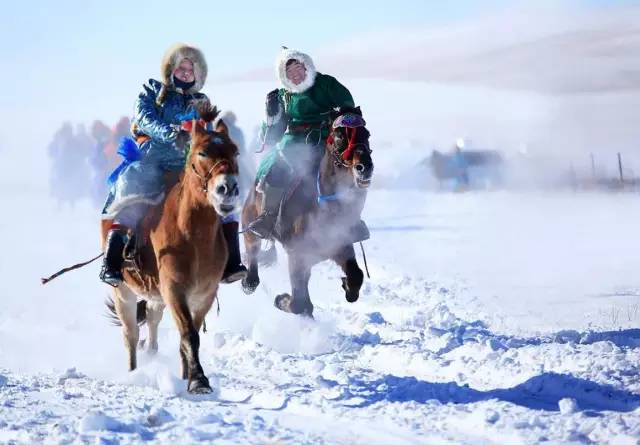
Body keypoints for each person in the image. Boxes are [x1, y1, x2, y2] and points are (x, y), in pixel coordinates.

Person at [100, 43, 246, 286]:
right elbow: (144, 118)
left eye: (191, 69)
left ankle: (231, 263)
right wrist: (172, 132)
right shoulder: (153, 90)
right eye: (181, 68)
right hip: (154, 156)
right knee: (134, 183)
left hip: (189, 162)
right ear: (171, 69)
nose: (186, 73)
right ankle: (112, 260)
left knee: (224, 192)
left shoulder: (201, 100)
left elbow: (205, 133)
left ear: (198, 73)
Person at [246, 48, 355, 239]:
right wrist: (271, 118)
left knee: (347, 166)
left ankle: (352, 221)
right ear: (283, 76)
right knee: (275, 167)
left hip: (327, 137)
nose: (295, 74)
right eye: (289, 72)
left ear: (306, 66)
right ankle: (268, 217)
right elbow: (275, 134)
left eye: (298, 68)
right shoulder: (282, 95)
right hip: (295, 142)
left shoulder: (326, 83)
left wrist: (340, 114)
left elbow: (347, 105)